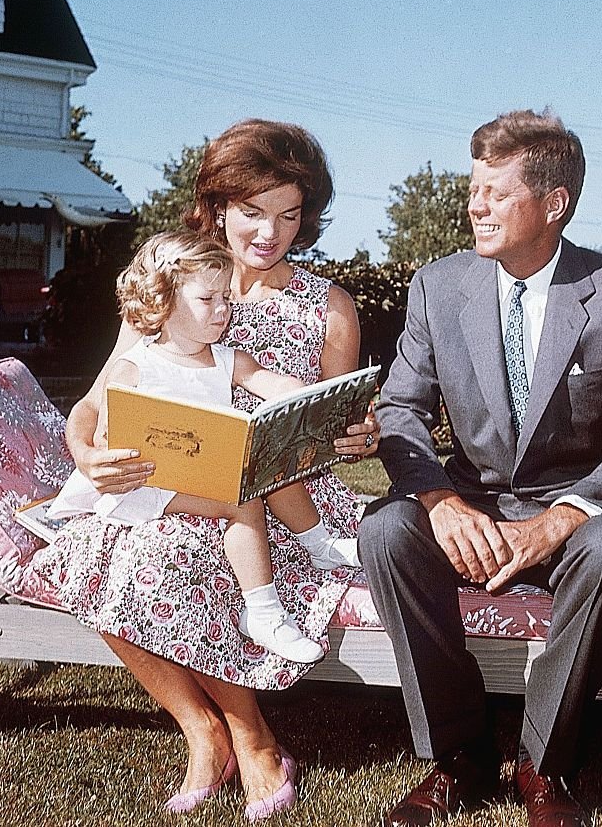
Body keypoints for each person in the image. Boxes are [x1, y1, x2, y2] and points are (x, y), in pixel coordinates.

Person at [30, 119, 378, 820]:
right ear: (217, 206)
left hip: (288, 501)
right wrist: (89, 456)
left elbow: (336, 418)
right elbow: (95, 405)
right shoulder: (173, 283)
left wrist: (358, 434)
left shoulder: (328, 308)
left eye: (289, 214)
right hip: (177, 485)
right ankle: (203, 728)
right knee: (98, 544)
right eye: (252, 212)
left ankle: (251, 739)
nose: (268, 233)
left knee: (172, 550)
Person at [359, 109, 602, 827]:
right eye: (473, 189)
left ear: (553, 203)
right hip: (472, 505)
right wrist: (440, 500)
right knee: (385, 532)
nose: (474, 206)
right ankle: (458, 758)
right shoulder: (437, 287)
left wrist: (563, 516)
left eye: (494, 193)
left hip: (578, 514)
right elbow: (402, 412)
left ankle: (543, 765)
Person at [46, 230, 361, 665]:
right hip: (145, 486)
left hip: (198, 474)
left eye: (225, 299)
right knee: (242, 500)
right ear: (164, 301)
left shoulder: (226, 358)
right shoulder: (135, 366)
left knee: (265, 469)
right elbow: (106, 436)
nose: (223, 310)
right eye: (207, 300)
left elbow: (274, 385)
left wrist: (321, 402)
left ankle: (320, 544)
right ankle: (264, 613)